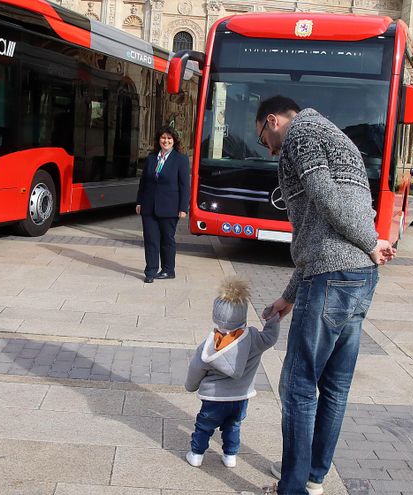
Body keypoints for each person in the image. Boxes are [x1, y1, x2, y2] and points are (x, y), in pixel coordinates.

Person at [254, 96, 396, 495]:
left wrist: (370, 240)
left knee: (298, 385)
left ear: (272, 120)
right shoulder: (336, 136)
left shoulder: (300, 134)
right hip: (358, 277)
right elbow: (319, 230)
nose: (266, 146)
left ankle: (293, 488)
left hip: (334, 273)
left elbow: (324, 197)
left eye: (262, 136)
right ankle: (314, 478)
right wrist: (288, 296)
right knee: (334, 385)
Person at [184, 276, 280, 469]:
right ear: (242, 315)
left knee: (204, 426)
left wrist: (190, 386)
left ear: (216, 316)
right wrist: (273, 319)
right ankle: (230, 456)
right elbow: (270, 338)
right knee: (233, 426)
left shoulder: (210, 346)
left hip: (214, 398)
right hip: (240, 396)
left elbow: (196, 368)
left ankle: (196, 454)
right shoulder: (254, 338)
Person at [136, 126, 190, 283]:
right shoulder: (152, 158)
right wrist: (139, 201)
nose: (165, 141)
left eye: (169, 138)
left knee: (167, 239)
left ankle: (168, 270)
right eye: (163, 138)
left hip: (170, 207)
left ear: (174, 141)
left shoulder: (181, 159)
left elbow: (184, 186)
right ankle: (151, 271)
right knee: (150, 239)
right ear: (158, 140)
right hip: (148, 206)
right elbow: (143, 181)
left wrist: (183, 208)